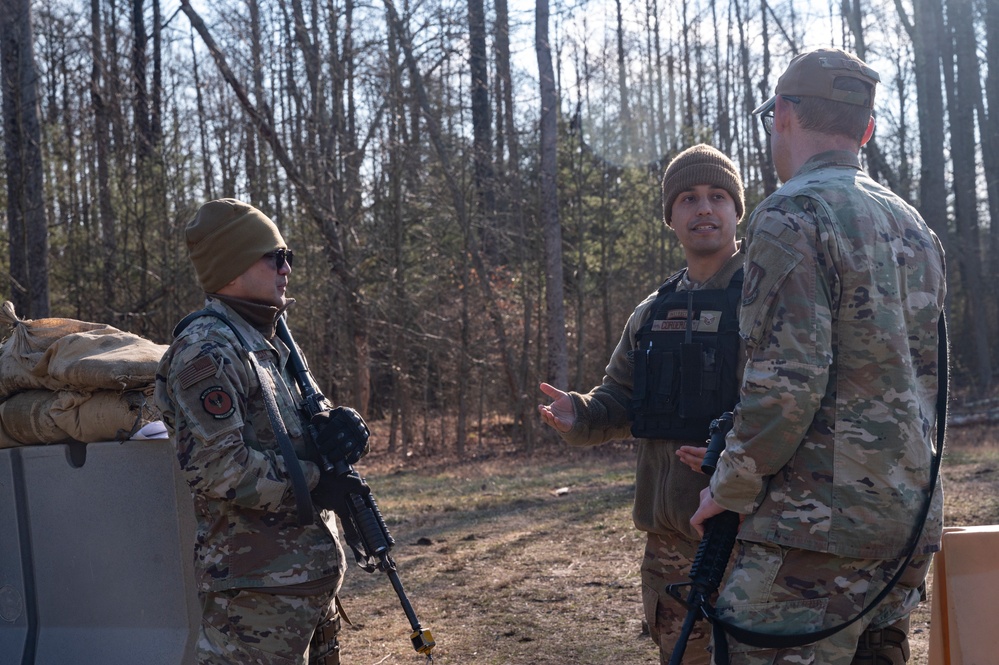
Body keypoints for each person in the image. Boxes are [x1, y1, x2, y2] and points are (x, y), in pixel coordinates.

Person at [690, 48, 946, 665]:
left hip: (815, 528)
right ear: (867, 129)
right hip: (907, 522)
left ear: (782, 114)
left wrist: (729, 485)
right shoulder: (912, 224)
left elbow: (787, 380)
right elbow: (926, 381)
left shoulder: (791, 213)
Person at [538, 144, 747, 664]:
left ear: (737, 210)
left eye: (718, 196)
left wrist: (734, 454)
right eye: (689, 198)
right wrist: (580, 413)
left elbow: (795, 400)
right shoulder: (653, 312)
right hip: (669, 545)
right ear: (670, 219)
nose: (704, 208)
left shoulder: (767, 298)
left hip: (750, 538)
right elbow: (620, 397)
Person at [156, 198, 369, 665]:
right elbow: (218, 469)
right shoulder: (206, 352)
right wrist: (317, 481)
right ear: (232, 267)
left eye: (288, 255)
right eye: (275, 256)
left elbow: (293, 429)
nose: (287, 267)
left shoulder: (272, 337)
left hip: (305, 584)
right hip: (255, 597)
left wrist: (341, 428)